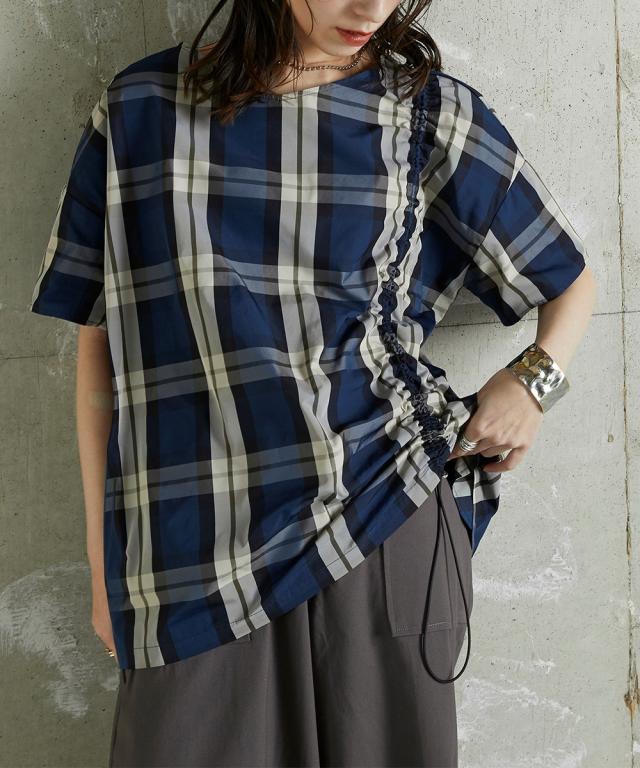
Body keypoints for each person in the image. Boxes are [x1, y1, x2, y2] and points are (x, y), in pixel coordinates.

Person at [28, 0, 597, 765]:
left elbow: (568, 279)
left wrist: (534, 383)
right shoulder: (138, 113)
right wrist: (105, 572)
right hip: (189, 546)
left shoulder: (425, 112)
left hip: (383, 510)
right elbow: (101, 347)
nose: (371, 7)